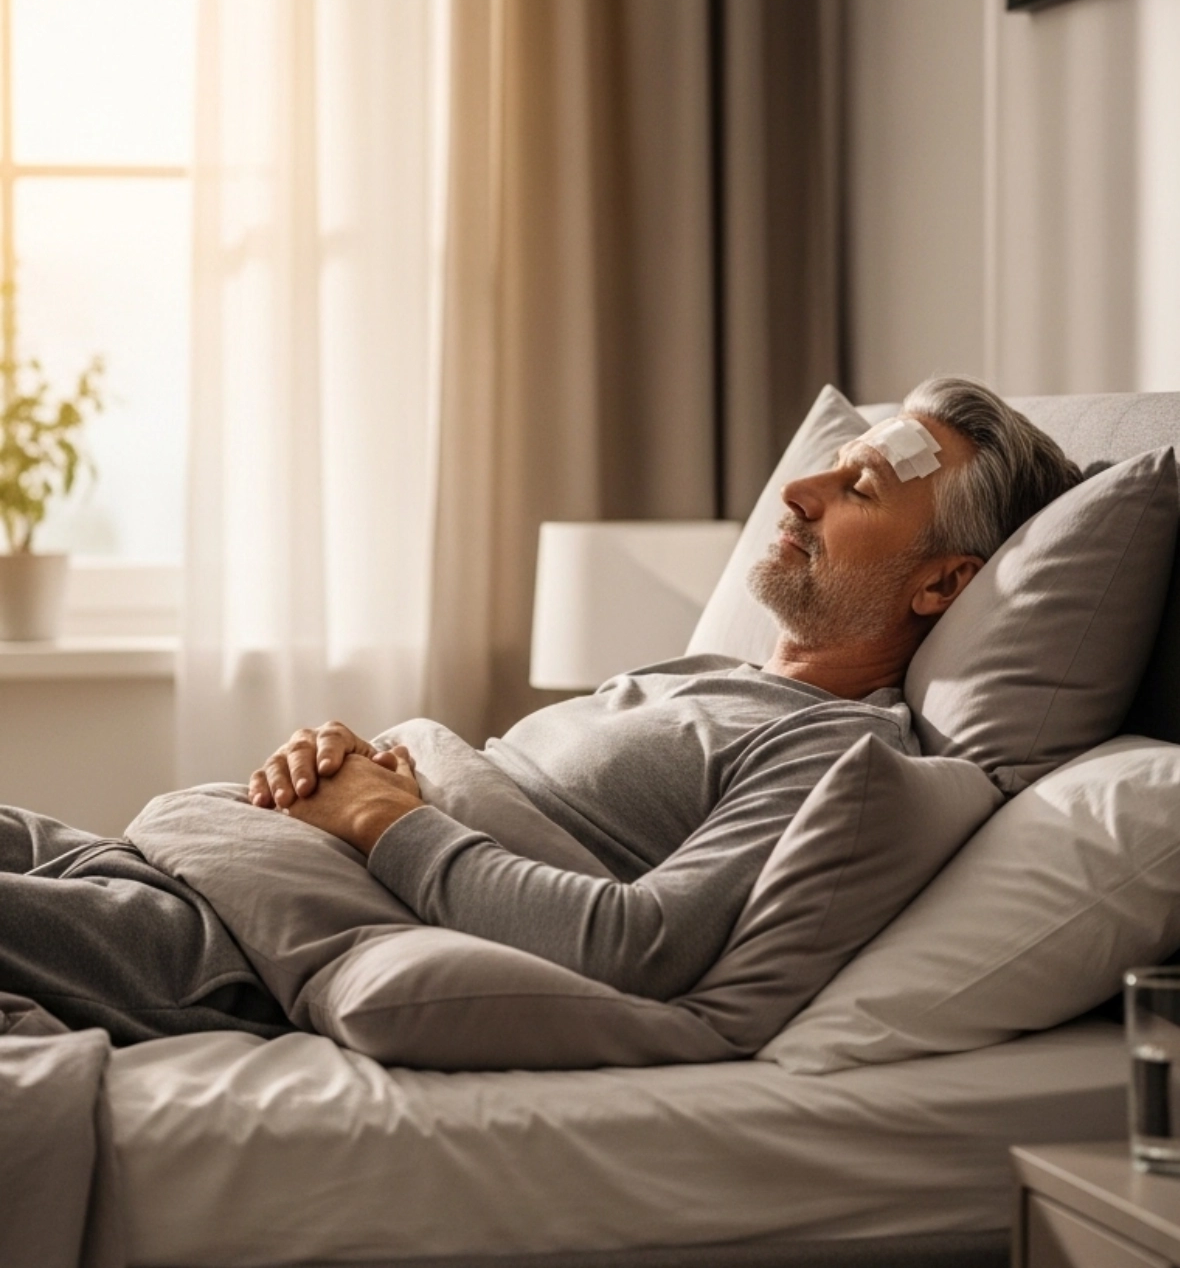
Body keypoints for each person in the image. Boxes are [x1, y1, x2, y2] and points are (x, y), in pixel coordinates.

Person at [0, 377, 1080, 1043]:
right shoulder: (708, 677)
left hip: (220, 945)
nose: (796, 493)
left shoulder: (829, 752)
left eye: (856, 491)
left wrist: (380, 814)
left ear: (941, 584)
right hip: (186, 858)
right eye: (824, 471)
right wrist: (344, 766)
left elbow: (633, 945)